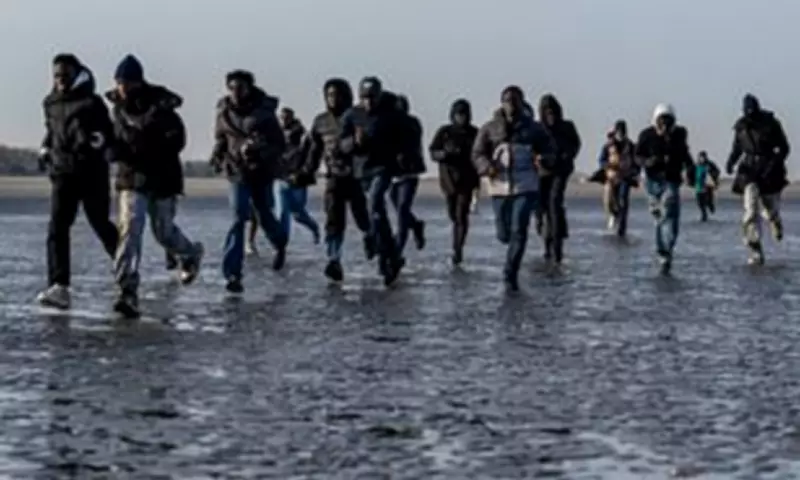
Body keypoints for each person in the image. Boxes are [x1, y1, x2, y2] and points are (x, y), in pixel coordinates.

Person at [106, 54, 204, 317]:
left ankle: (190, 253)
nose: (122, 87)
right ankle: (127, 289)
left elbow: (177, 140)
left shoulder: (161, 106)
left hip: (162, 178)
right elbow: (115, 140)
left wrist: (148, 149)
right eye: (119, 82)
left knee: (163, 232)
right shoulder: (117, 111)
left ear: (139, 82)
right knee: (130, 229)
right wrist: (112, 150)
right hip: (131, 178)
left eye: (127, 82)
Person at [35, 53, 119, 309]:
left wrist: (96, 142)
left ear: (76, 75)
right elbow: (52, 132)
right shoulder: (50, 103)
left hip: (91, 173)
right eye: (56, 76)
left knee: (100, 223)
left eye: (65, 75)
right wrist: (45, 150)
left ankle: (125, 269)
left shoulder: (92, 103)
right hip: (62, 173)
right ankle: (59, 286)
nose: (60, 80)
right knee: (57, 228)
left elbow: (107, 133)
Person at [472, 85, 556, 291]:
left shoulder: (534, 128)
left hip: (525, 185)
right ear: (502, 103)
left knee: (519, 228)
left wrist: (543, 159)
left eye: (515, 101)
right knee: (504, 234)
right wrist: (486, 167)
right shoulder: (489, 128)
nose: (512, 105)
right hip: (499, 186)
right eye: (508, 101)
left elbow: (550, 149)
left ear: (522, 103)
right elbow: (477, 153)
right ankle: (509, 250)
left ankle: (510, 273)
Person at [210, 69, 288, 293]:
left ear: (249, 88)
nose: (236, 92)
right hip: (237, 172)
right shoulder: (223, 112)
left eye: (240, 88)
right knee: (238, 218)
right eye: (232, 88)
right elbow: (221, 138)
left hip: (260, 172)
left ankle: (280, 243)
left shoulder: (264, 112)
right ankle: (233, 273)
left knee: (264, 214)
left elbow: (279, 144)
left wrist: (260, 150)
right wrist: (217, 155)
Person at [302, 78, 374, 282]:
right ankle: (334, 259)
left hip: (356, 176)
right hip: (333, 176)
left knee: (361, 215)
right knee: (334, 220)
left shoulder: (359, 116)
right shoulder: (321, 121)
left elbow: (371, 142)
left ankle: (370, 237)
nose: (333, 99)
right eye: (330, 95)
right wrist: (307, 171)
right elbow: (314, 150)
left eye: (337, 95)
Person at [339, 76, 405, 286]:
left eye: (372, 97)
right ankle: (388, 253)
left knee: (375, 203)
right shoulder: (352, 115)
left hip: (383, 168)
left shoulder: (390, 115)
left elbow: (403, 139)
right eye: (364, 98)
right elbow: (341, 144)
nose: (368, 102)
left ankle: (384, 252)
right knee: (376, 215)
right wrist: (354, 142)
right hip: (361, 170)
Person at [726, 94, 791, 265]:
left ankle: (775, 220)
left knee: (770, 209)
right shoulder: (741, 127)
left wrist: (776, 162)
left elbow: (784, 147)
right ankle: (755, 247)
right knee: (751, 210)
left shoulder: (771, 123)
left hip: (769, 170)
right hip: (749, 171)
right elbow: (737, 148)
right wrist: (731, 162)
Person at [634, 103, 694, 274]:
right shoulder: (646, 135)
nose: (665, 126)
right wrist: (647, 162)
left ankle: (666, 251)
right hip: (652, 181)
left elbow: (685, 154)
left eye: (668, 122)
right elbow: (637, 156)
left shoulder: (679, 135)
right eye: (661, 122)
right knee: (659, 218)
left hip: (671, 180)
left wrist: (690, 169)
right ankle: (663, 252)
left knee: (670, 214)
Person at [429, 98, 479, 265]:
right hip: (448, 181)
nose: (461, 118)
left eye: (464, 114)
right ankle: (457, 245)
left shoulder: (474, 133)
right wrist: (445, 154)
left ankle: (458, 250)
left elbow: (481, 152)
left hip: (467, 181)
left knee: (461, 216)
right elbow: (433, 151)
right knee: (452, 214)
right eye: (458, 114)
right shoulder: (445, 132)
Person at [536, 94, 581, 263]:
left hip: (560, 171)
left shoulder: (567, 127)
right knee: (541, 207)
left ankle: (557, 249)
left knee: (554, 204)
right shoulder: (537, 128)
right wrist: (538, 158)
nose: (551, 116)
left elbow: (575, 144)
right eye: (547, 112)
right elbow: (530, 147)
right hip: (541, 172)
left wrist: (566, 155)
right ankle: (547, 240)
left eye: (553, 112)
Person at [274, 107, 320, 246]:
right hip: (281, 178)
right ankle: (282, 245)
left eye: (287, 118)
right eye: (282, 118)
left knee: (298, 214)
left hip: (298, 180)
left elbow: (310, 157)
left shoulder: (303, 136)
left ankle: (314, 228)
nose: (284, 121)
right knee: (282, 213)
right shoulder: (275, 134)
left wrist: (303, 173)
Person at [390, 94, 426, 259]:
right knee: (399, 208)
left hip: (409, 173)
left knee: (402, 210)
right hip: (393, 174)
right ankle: (416, 226)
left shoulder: (412, 123)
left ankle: (398, 249)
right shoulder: (388, 123)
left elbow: (412, 143)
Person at [594, 120, 639, 236]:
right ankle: (613, 215)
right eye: (619, 131)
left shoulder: (631, 146)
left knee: (623, 200)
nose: (621, 134)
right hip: (611, 177)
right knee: (609, 201)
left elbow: (636, 162)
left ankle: (622, 229)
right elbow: (601, 160)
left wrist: (634, 172)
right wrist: (607, 166)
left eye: (623, 131)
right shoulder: (608, 146)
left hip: (625, 177)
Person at [693, 151, 720, 222]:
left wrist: (712, 175)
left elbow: (717, 171)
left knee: (708, 200)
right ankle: (704, 215)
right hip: (699, 186)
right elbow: (691, 174)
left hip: (708, 186)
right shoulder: (696, 165)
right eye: (701, 157)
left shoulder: (710, 164)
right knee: (700, 202)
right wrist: (690, 181)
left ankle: (711, 206)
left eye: (704, 157)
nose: (702, 159)